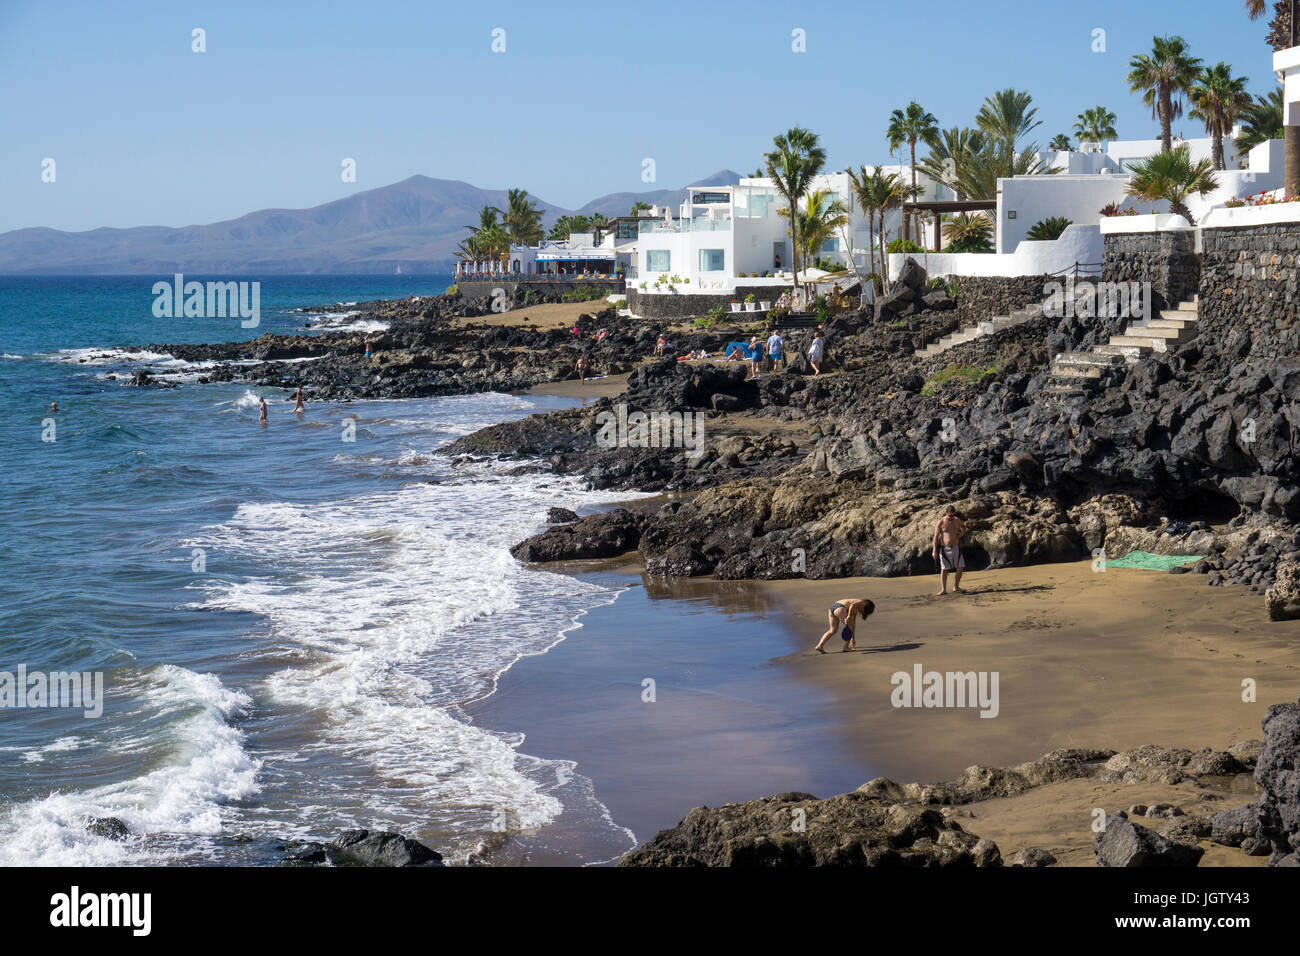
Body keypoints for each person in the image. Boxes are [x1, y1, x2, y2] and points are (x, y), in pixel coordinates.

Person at [933, 505, 968, 595]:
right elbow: (936, 537)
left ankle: (956, 587)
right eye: (950, 516)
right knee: (944, 569)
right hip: (945, 548)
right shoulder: (940, 522)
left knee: (960, 567)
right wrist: (934, 551)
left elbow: (963, 527)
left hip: (956, 546)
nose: (951, 517)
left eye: (953, 515)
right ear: (946, 513)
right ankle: (943, 589)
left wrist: (962, 533)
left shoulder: (956, 520)